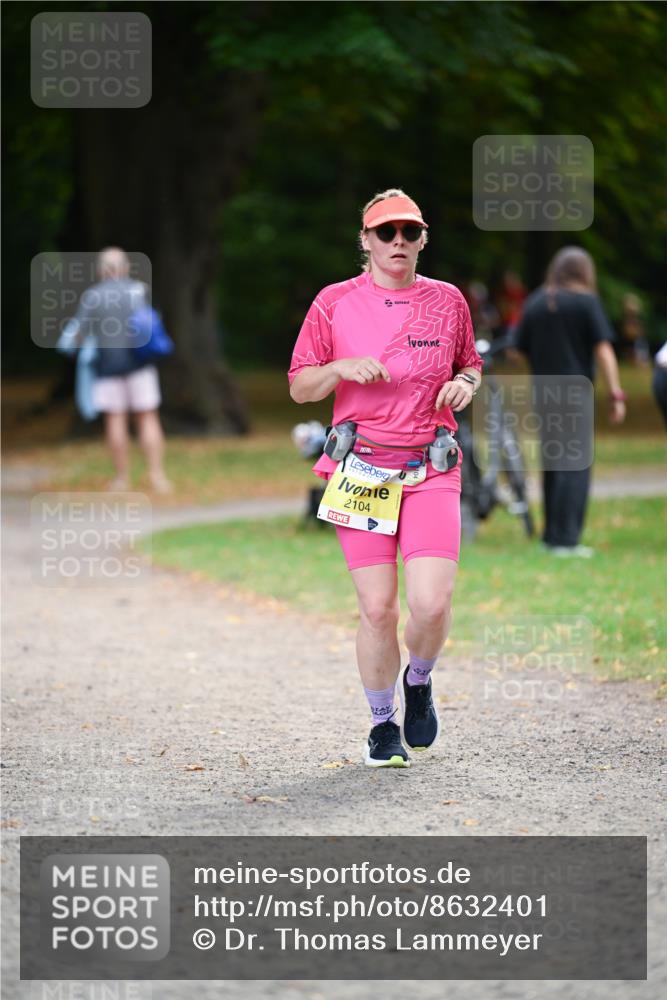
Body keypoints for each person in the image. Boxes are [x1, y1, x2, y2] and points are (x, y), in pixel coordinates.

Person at [288, 189, 483, 768]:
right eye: (385, 232)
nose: (398, 242)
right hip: (361, 469)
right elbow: (301, 385)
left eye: (409, 232)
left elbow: (469, 362)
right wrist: (339, 369)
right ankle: (381, 724)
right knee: (378, 610)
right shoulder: (334, 303)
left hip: (430, 466)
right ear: (366, 241)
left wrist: (466, 386)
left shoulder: (447, 302)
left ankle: (417, 679)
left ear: (423, 239)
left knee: (430, 603)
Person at [509, 246, 626, 557]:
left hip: (544, 393)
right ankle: (568, 540)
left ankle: (551, 536)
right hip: (575, 393)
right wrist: (615, 393)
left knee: (553, 464)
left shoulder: (536, 302)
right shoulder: (586, 302)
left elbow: (515, 350)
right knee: (575, 467)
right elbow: (603, 350)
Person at [71, 247, 173, 493]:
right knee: (148, 417)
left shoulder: (93, 296)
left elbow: (78, 336)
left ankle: (122, 479)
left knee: (115, 419)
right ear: (125, 267)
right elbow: (154, 324)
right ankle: (157, 476)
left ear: (101, 270)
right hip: (141, 366)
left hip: (108, 368)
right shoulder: (139, 290)